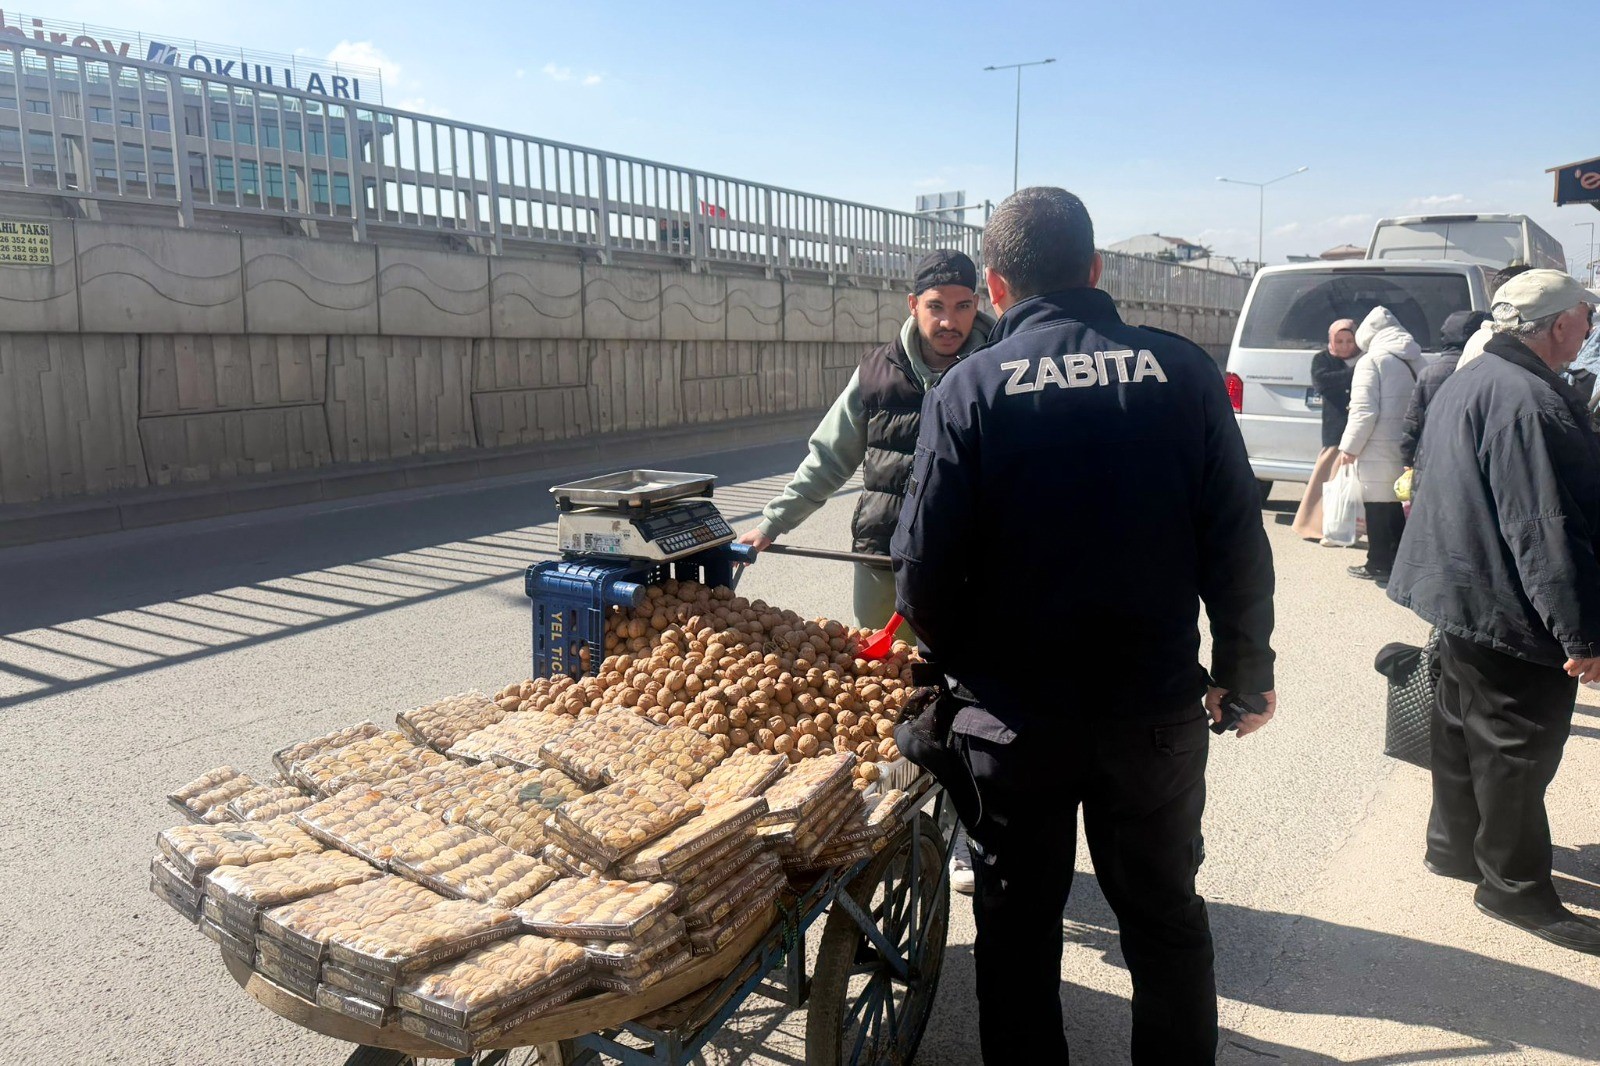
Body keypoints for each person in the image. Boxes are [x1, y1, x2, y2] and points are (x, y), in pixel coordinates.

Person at [892, 187, 1277, 1063]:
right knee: (1165, 916)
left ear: (994, 286)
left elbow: (920, 574)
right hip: (1155, 712)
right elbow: (1236, 540)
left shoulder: (969, 389)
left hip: (1014, 722)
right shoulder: (1184, 371)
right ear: (1096, 269)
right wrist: (1245, 672)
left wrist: (966, 670)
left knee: (1018, 925)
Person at [736, 248, 992, 895]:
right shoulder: (877, 374)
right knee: (888, 699)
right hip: (884, 569)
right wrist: (773, 522)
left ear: (979, 304)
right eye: (937, 307)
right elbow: (828, 457)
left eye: (963, 306)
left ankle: (965, 834)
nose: (950, 321)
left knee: (967, 708)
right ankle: (887, 824)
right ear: (913, 307)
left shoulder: (999, 365)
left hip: (972, 577)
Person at [1388, 269, 1600, 955]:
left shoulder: (1473, 376)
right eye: (1586, 316)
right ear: (1560, 324)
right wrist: (1581, 634)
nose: (1589, 329)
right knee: (1517, 748)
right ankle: (1512, 888)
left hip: (1459, 591)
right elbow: (1543, 527)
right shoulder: (1527, 400)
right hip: (1506, 604)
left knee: (1460, 726)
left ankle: (1453, 848)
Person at [1338, 306, 1425, 585]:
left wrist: (1349, 447)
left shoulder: (1371, 361)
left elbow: (1363, 411)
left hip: (1377, 446)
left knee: (1377, 506)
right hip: (1410, 445)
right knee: (1399, 504)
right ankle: (1400, 564)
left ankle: (1378, 564)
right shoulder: (1418, 360)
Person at [1399, 309, 1488, 483]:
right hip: (1472, 458)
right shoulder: (1482, 368)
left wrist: (1407, 457)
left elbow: (1413, 421)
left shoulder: (1429, 373)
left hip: (1434, 457)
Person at [1291, 318, 1359, 539]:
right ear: (1331, 340)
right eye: (1339, 341)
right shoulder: (1323, 359)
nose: (1345, 346)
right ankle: (1313, 525)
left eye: (1349, 341)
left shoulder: (1364, 358)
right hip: (1335, 426)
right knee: (1326, 477)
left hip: (1359, 427)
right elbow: (1321, 381)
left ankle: (1353, 527)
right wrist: (1352, 374)